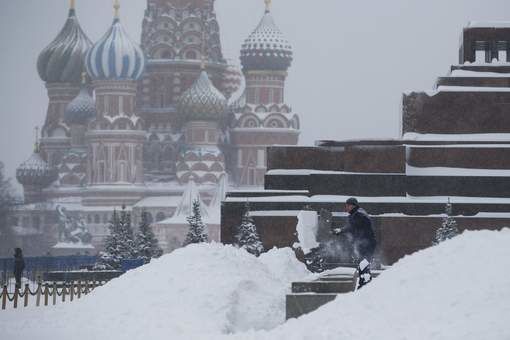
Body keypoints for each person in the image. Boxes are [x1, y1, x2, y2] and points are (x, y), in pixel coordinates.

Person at [333, 198, 377, 288]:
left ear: (354, 205)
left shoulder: (358, 215)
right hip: (366, 243)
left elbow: (352, 227)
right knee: (364, 264)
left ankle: (364, 285)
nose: (346, 207)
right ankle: (364, 283)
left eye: (348, 205)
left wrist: (341, 230)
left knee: (363, 264)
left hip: (366, 244)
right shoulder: (358, 214)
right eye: (346, 205)